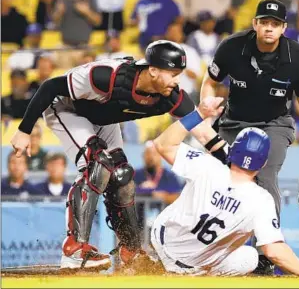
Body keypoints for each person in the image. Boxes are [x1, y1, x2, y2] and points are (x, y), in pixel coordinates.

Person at [10, 40, 224, 271]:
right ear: (152, 70)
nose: (177, 80)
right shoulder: (106, 77)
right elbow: (50, 87)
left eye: (179, 73)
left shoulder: (171, 95)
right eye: (172, 73)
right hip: (66, 107)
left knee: (122, 175)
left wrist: (230, 161)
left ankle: (131, 251)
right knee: (98, 163)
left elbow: (202, 131)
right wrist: (24, 130)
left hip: (103, 118)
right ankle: (74, 250)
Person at [199, 0, 299, 274]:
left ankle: (266, 257)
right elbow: (210, 82)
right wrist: (206, 120)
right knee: (220, 179)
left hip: (275, 124)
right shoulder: (231, 47)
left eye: (276, 24)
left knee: (265, 176)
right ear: (255, 24)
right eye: (264, 22)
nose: (269, 28)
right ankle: (211, 250)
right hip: (233, 122)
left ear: (283, 28)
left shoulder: (298, 58)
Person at [151, 96, 299, 278]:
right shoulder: (261, 199)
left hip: (162, 241)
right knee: (250, 257)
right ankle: (198, 274)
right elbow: (274, 251)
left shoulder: (207, 165)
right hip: (194, 266)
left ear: (233, 150)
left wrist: (199, 114)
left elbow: (163, 144)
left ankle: (155, 261)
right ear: (263, 163)